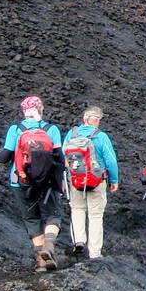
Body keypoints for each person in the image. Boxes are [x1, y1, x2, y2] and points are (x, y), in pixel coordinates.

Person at [0, 96, 64, 272]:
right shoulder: (51, 129)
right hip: (47, 182)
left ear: (23, 111)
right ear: (41, 109)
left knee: (32, 218)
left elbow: (5, 157)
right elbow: (59, 157)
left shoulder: (16, 129)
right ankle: (48, 248)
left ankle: (41, 263)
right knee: (53, 216)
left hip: (20, 182)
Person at [63, 106, 119, 260]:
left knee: (77, 209)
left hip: (75, 180)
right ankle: (95, 253)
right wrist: (114, 180)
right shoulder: (101, 137)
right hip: (97, 180)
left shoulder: (71, 134)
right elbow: (110, 160)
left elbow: (63, 156)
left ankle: (79, 241)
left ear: (84, 119)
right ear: (97, 120)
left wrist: (66, 178)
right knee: (95, 215)